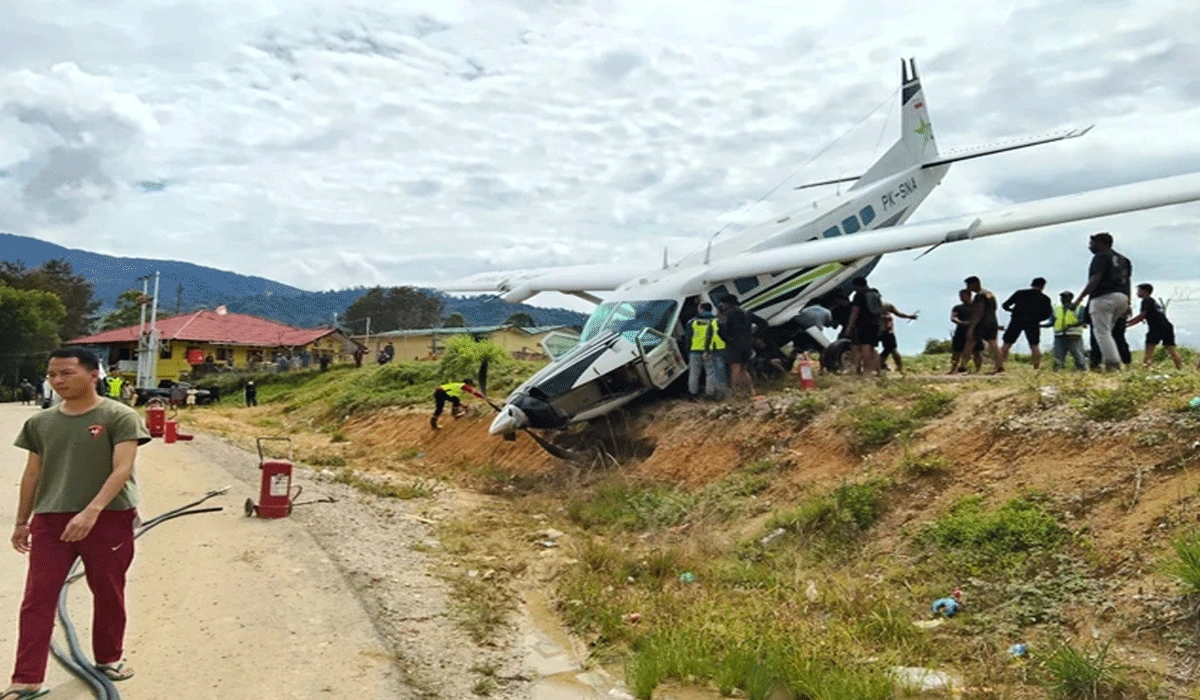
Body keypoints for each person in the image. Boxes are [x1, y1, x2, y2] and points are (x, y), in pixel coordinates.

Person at [6, 347, 150, 698]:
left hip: (109, 518)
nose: (58, 381)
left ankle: (109, 657)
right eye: (52, 374)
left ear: (93, 374)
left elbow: (122, 468)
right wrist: (22, 521)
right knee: (37, 598)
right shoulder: (40, 423)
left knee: (108, 591)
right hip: (51, 520)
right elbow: (32, 474)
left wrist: (92, 511)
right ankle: (26, 678)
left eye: (67, 373)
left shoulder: (119, 416)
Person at [1077, 232, 1132, 371]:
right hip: (1122, 297)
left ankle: (1113, 363)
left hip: (1104, 297)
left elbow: (1095, 279)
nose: (1090, 247)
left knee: (1102, 332)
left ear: (1102, 243)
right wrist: (1128, 303)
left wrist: (1079, 298)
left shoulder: (1100, 257)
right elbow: (1128, 282)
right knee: (1109, 332)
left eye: (1093, 243)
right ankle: (1110, 361)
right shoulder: (1124, 260)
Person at [1000, 277, 1054, 369]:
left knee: (1007, 343)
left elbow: (1005, 305)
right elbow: (1047, 314)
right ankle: (1036, 369)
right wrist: (1037, 319)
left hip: (1016, 320)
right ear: (1043, 286)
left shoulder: (1020, 293)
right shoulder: (1045, 298)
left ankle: (1000, 366)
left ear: (1032, 284)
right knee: (1034, 345)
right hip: (1033, 322)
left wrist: (1013, 310)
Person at [1127, 283, 1183, 369]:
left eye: (1139, 290)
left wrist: (1127, 323)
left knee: (1149, 350)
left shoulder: (1146, 301)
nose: (1137, 293)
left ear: (1145, 291)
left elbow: (1142, 316)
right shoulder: (1152, 301)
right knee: (1171, 349)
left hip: (1156, 328)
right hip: (1167, 326)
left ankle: (1146, 367)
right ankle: (1180, 367)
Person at [962, 276, 1003, 373]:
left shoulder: (979, 296)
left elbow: (979, 312)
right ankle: (1000, 366)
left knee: (970, 343)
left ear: (975, 284)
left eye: (969, 285)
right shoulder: (990, 294)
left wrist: (972, 327)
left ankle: (962, 366)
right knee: (994, 345)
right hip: (992, 322)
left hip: (982, 323)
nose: (968, 288)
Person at [843, 277, 884, 374]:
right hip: (875, 324)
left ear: (857, 286)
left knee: (865, 347)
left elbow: (855, 312)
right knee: (872, 348)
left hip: (863, 324)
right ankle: (877, 370)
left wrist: (849, 327)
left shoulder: (859, 295)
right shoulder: (875, 293)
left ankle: (867, 371)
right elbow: (880, 310)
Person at [716, 296, 755, 398]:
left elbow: (721, 331)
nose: (722, 306)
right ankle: (752, 391)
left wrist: (728, 340)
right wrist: (753, 336)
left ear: (727, 303)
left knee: (735, 369)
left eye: (723, 303)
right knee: (744, 369)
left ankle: (736, 392)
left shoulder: (725, 315)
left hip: (734, 345)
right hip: (747, 345)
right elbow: (763, 323)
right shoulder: (745, 313)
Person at [686, 303, 725, 400]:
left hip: (695, 350)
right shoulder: (716, 321)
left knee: (694, 374)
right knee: (710, 372)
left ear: (701, 309)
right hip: (710, 350)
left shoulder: (692, 322)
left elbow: (688, 338)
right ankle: (710, 393)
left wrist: (688, 351)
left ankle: (692, 393)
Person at [1048, 291, 1088, 371]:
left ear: (1071, 298)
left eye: (1065, 297)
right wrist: (1039, 325)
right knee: (1058, 356)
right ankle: (1057, 372)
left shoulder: (1079, 308)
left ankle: (1082, 371)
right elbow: (1052, 322)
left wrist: (1072, 325)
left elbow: (1084, 321)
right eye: (1062, 297)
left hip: (1074, 336)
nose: (1062, 299)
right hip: (1059, 336)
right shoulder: (1056, 309)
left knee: (1078, 356)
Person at [877, 302, 918, 374]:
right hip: (883, 331)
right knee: (892, 350)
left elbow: (899, 314)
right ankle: (899, 368)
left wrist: (909, 316)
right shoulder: (882, 306)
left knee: (888, 350)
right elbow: (899, 314)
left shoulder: (886, 306)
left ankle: (881, 366)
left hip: (884, 331)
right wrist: (909, 316)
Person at [948, 289, 982, 373]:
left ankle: (978, 370)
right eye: (960, 296)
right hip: (961, 331)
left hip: (975, 331)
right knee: (957, 351)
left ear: (969, 295)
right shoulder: (958, 307)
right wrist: (961, 322)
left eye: (963, 296)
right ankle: (953, 369)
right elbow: (953, 317)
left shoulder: (977, 307)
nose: (961, 298)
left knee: (976, 351)